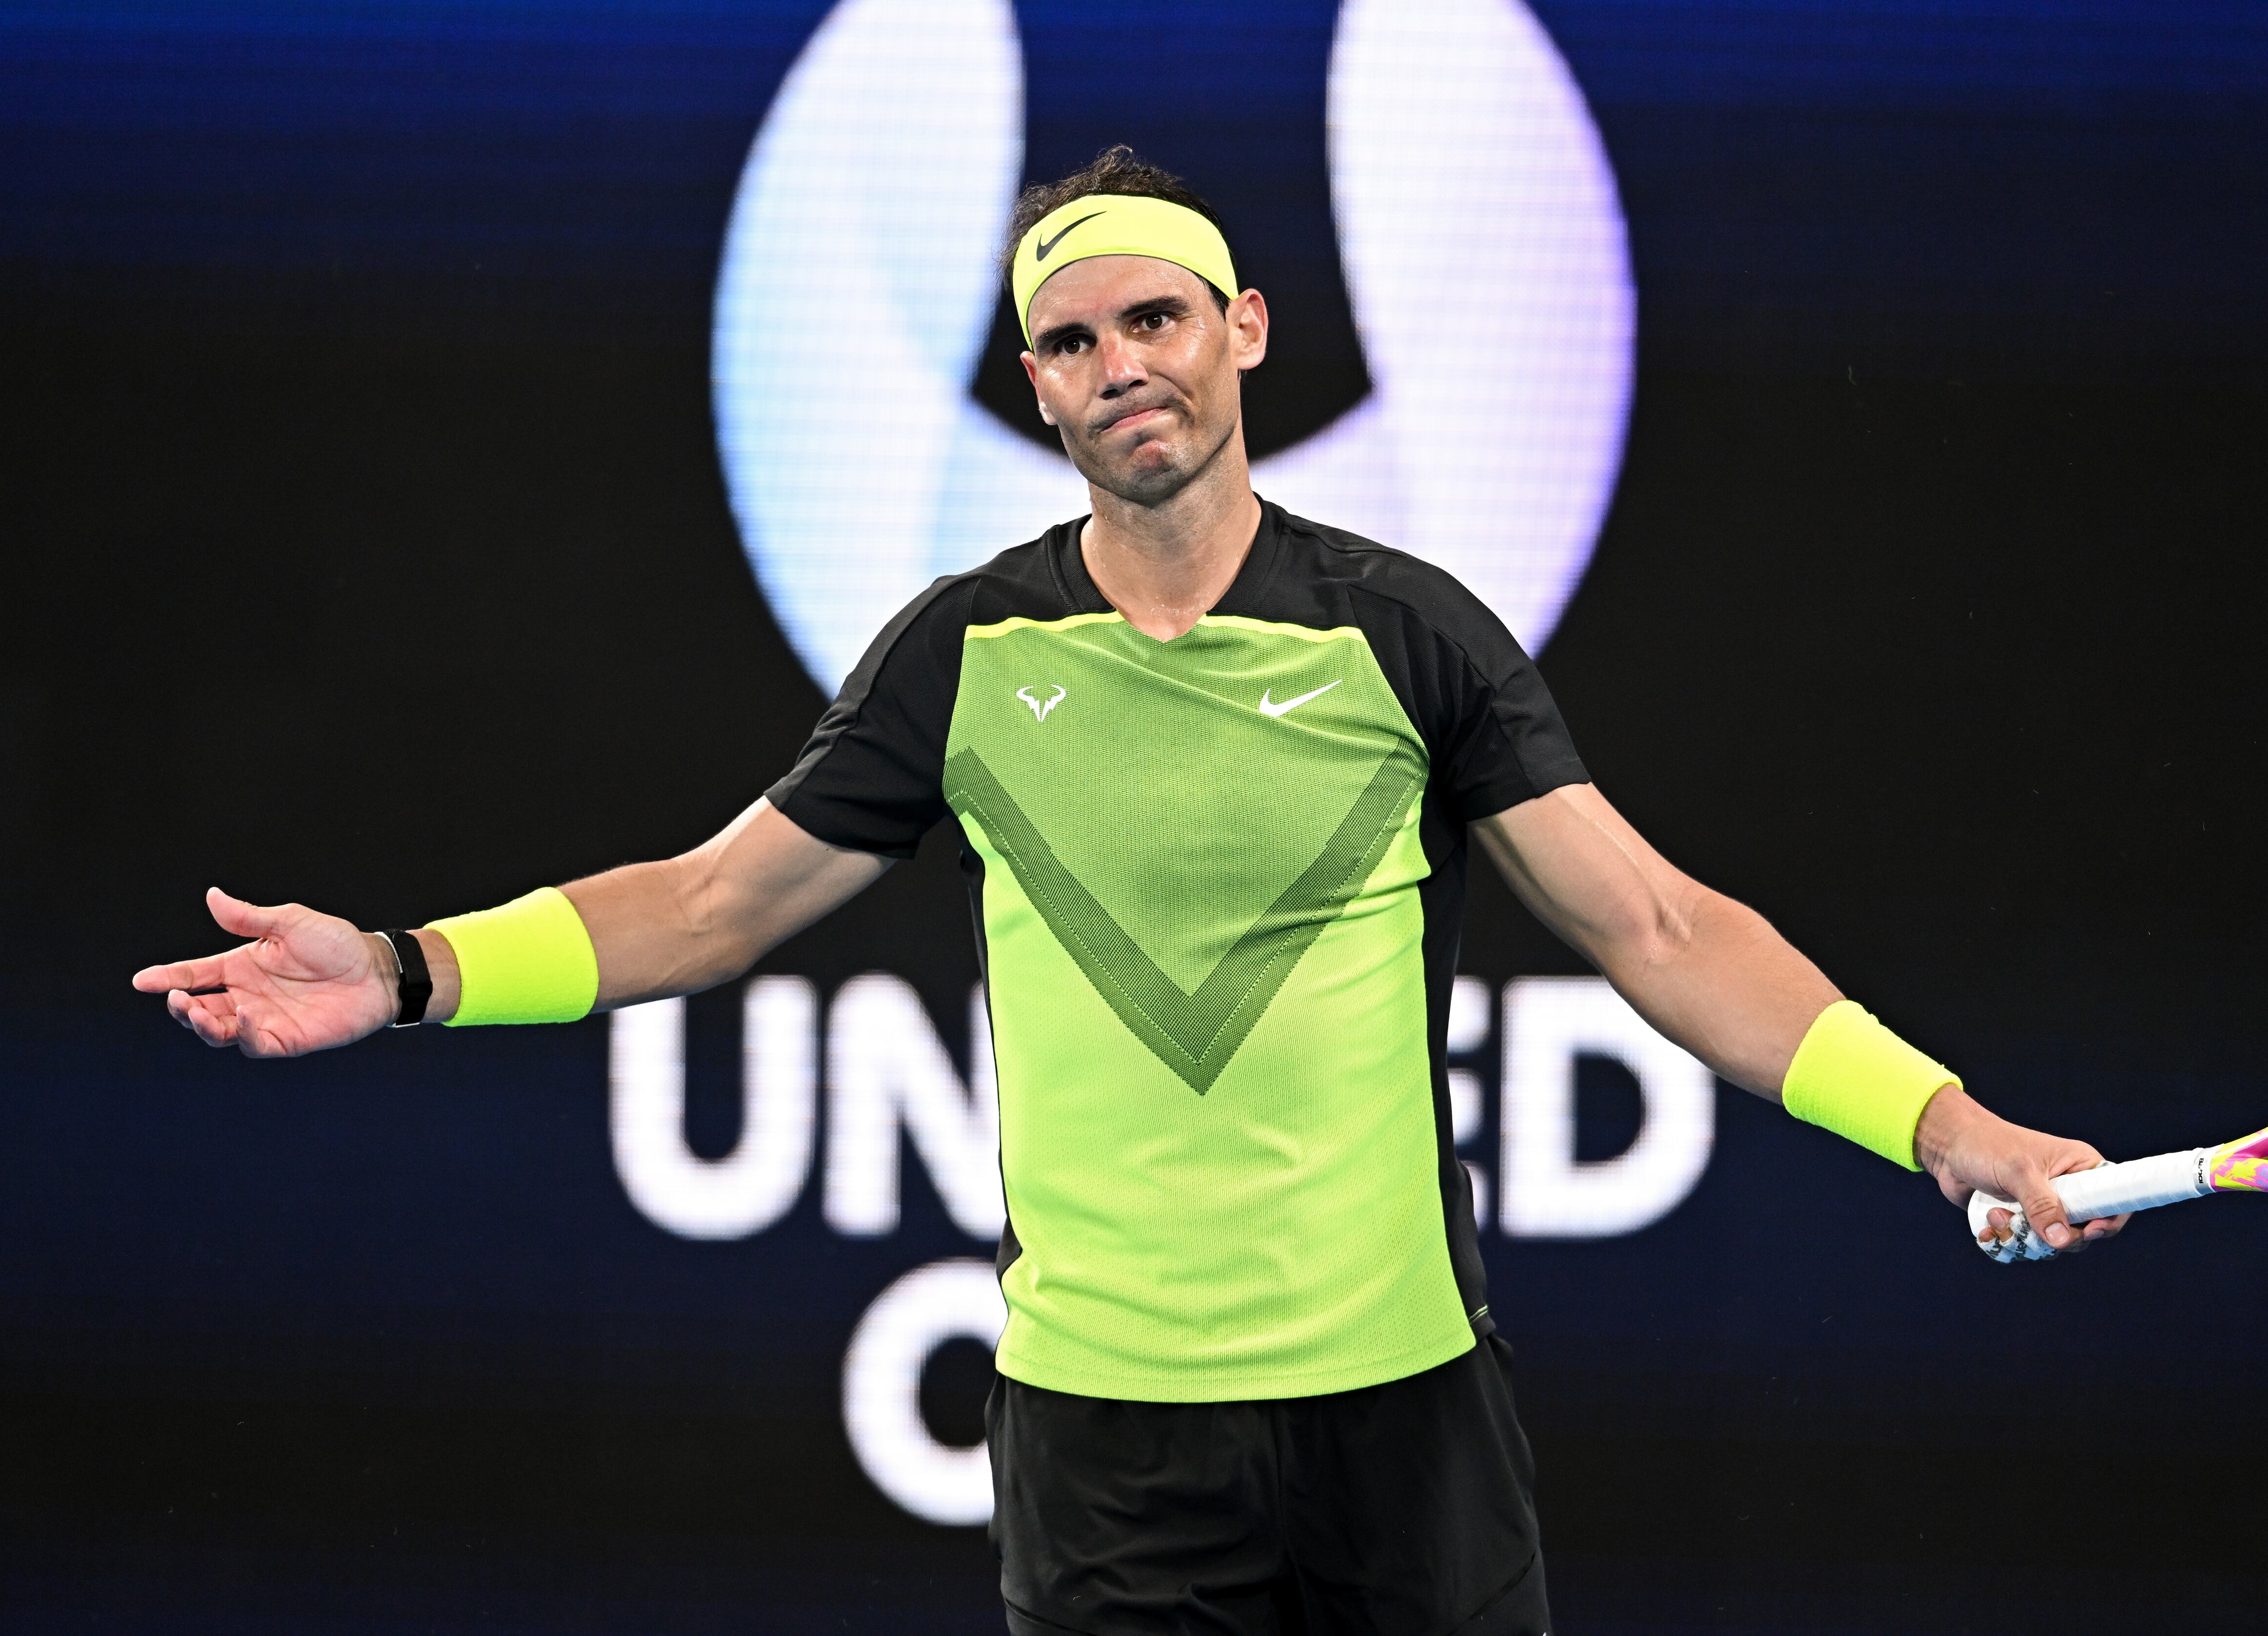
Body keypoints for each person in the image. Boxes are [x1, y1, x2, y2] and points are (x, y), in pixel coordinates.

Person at [135, 147, 2126, 1636]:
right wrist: (404, 972)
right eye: (1071, 343)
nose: (1120, 367)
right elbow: (711, 904)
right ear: (1037, 389)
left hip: (1401, 1421)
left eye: (1153, 318)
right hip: (1100, 1445)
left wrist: (1939, 1122)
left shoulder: (1402, 638)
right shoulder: (965, 657)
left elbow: (1659, 931)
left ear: (1241, 330)